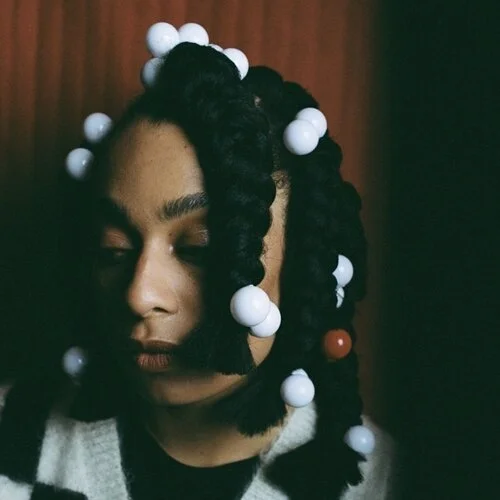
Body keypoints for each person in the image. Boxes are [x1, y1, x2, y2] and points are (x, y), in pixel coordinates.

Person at [0, 22, 395, 500]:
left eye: (198, 250)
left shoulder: (383, 483)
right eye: (113, 250)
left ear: (303, 268)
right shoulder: (13, 441)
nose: (139, 295)